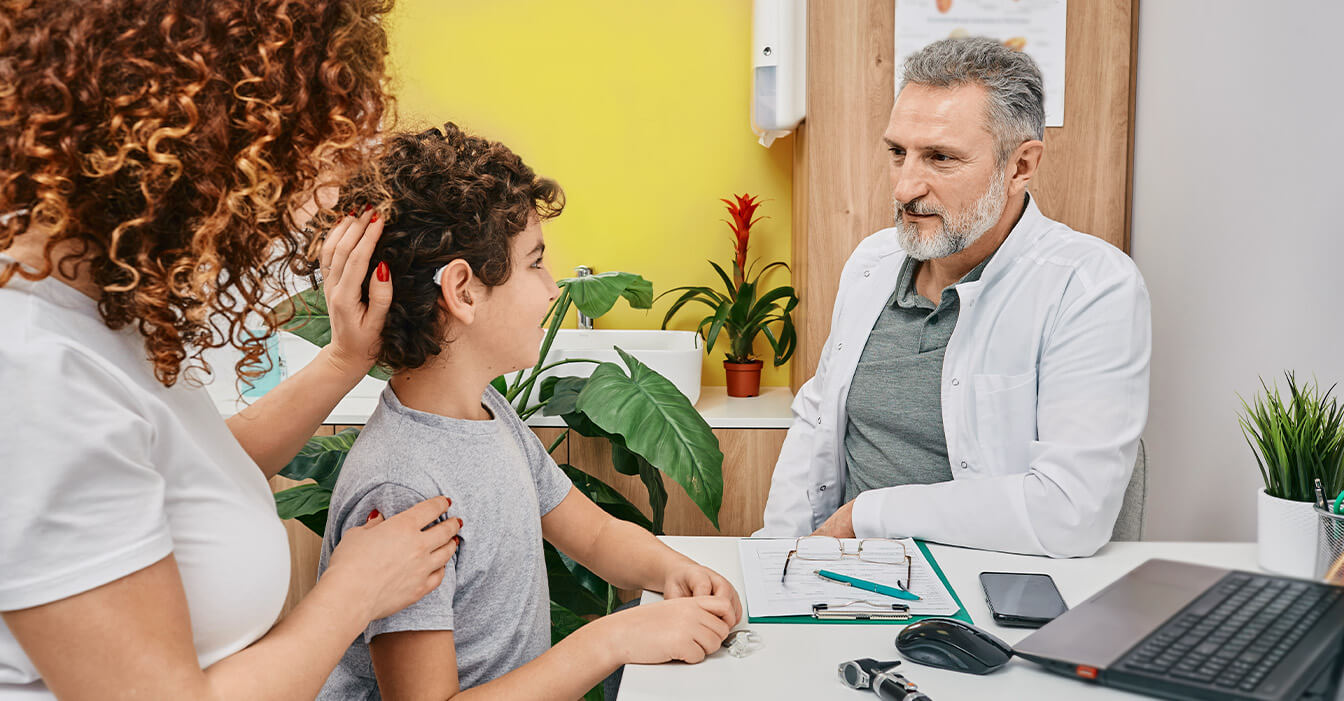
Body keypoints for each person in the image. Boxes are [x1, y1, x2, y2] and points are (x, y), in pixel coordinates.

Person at [0, 2, 461, 698]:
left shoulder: (98, 299)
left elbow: (187, 480)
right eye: (289, 166)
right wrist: (351, 592)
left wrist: (343, 360)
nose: (295, 207)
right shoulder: (31, 369)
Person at [316, 123, 742, 700]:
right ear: (463, 292)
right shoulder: (403, 489)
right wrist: (610, 639)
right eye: (535, 263)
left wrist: (672, 570)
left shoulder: (486, 412)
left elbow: (591, 534)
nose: (551, 289)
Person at [757, 37, 1151, 558]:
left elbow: (1068, 510)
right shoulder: (873, 261)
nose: (904, 189)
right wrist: (778, 553)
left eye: (941, 158)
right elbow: (817, 416)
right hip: (844, 577)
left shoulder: (1091, 286)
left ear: (1021, 166)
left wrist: (868, 516)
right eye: (898, 153)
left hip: (984, 590)